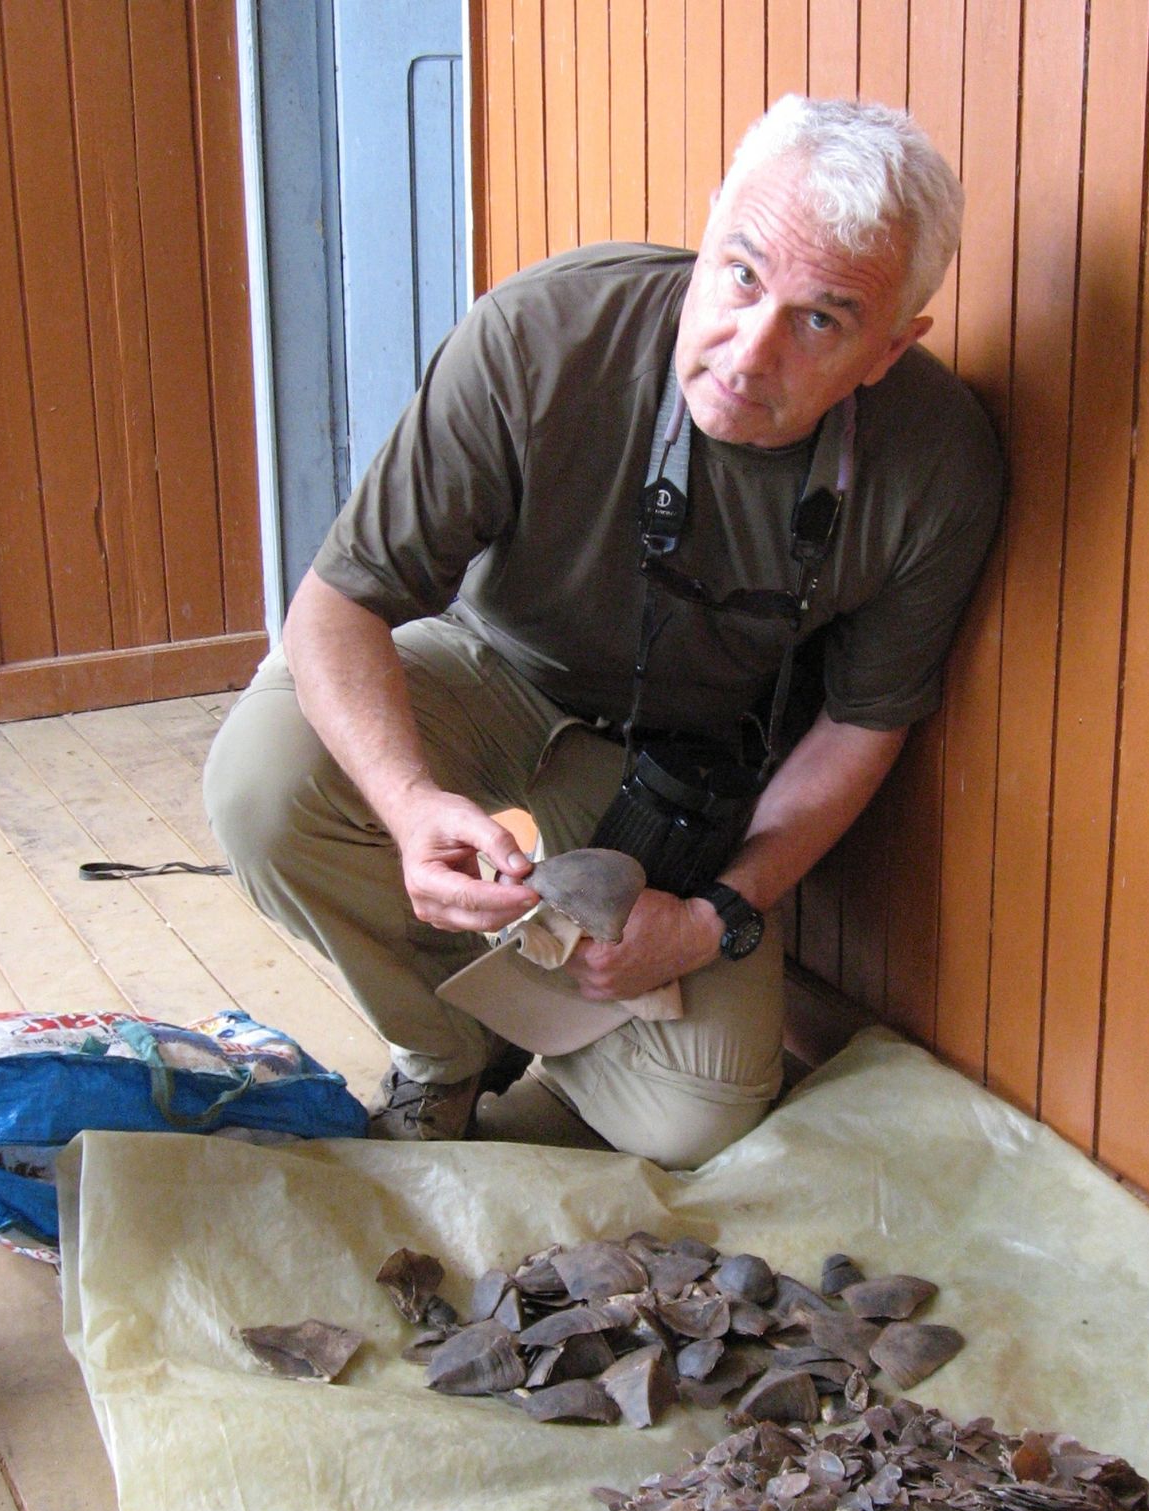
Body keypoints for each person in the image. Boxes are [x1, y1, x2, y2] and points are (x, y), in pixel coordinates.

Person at [204, 95, 1003, 1167]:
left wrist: (717, 915)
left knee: (695, 1115)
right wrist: (407, 804)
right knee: (262, 787)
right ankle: (446, 1055)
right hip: (490, 670)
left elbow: (861, 729)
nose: (748, 352)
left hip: (682, 769)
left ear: (890, 348)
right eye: (742, 275)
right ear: (710, 225)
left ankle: (519, 989)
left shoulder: (941, 466)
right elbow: (336, 603)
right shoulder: (540, 332)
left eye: (822, 319)